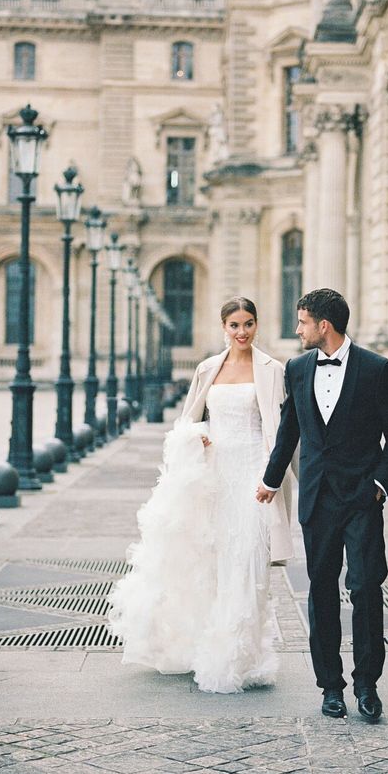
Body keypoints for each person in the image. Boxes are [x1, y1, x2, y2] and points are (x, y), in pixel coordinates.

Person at [109, 296, 293, 694]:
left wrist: (273, 476)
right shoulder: (207, 368)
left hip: (254, 475)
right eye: (234, 325)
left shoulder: (274, 369)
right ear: (223, 328)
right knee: (214, 563)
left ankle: (243, 657)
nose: (242, 332)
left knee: (247, 562)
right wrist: (199, 438)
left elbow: (283, 430)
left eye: (248, 323)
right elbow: (188, 422)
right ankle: (208, 647)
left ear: (257, 325)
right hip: (213, 476)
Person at [257, 288, 388, 722]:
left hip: (363, 497)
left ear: (323, 325)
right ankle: (331, 686)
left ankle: (367, 685)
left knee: (364, 587)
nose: (297, 329)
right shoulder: (298, 368)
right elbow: (290, 431)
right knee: (320, 589)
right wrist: (270, 479)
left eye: (302, 321)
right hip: (318, 498)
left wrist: (381, 483)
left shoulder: (377, 369)